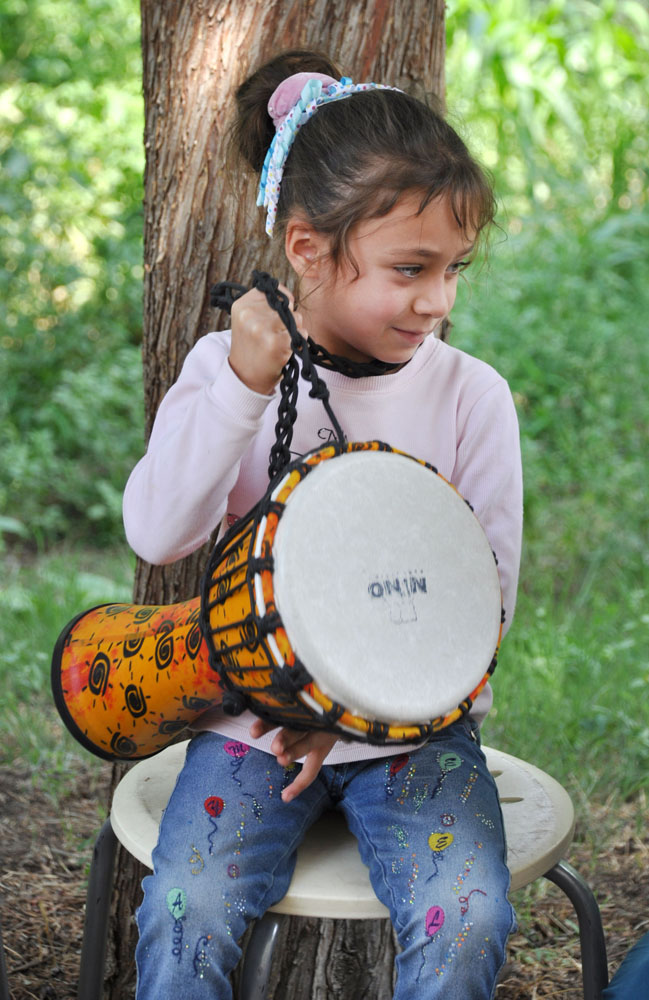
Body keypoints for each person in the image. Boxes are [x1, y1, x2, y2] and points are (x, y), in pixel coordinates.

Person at [124, 48, 523, 1000]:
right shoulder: (232, 372)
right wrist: (241, 389)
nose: (438, 301)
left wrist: (358, 703)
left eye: (454, 269)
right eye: (409, 268)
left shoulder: (471, 397)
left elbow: (484, 600)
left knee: (466, 916)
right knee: (186, 905)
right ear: (307, 249)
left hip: (418, 730)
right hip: (251, 724)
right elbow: (157, 531)